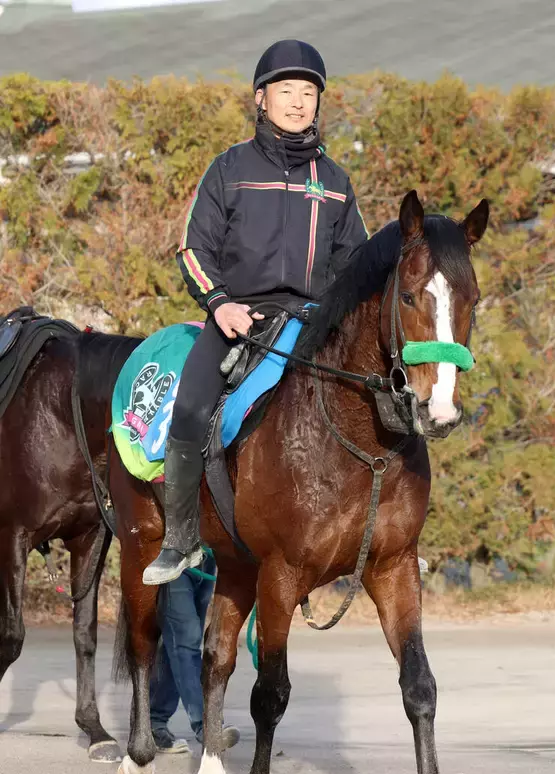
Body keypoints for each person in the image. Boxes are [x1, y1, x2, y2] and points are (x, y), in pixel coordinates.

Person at [143, 39, 372, 586]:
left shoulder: (337, 183)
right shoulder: (228, 169)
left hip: (314, 322)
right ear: (260, 98)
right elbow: (193, 250)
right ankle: (180, 540)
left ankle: (364, 533)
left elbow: (359, 265)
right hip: (238, 317)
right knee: (193, 407)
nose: (298, 102)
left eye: (309, 92)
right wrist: (219, 305)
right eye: (287, 91)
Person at [150, 557, 240, 752]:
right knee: (187, 638)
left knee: (176, 639)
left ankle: (155, 720)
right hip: (174, 558)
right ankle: (206, 726)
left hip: (207, 559)